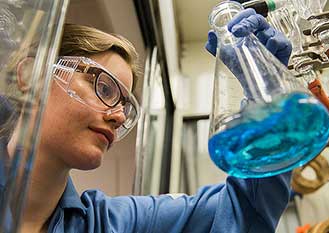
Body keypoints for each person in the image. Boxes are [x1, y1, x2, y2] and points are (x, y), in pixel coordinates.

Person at [2, 6, 292, 233]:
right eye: (104, 89)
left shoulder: (113, 224)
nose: (117, 117)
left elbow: (243, 210)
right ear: (33, 76)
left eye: (125, 107)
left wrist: (266, 90)